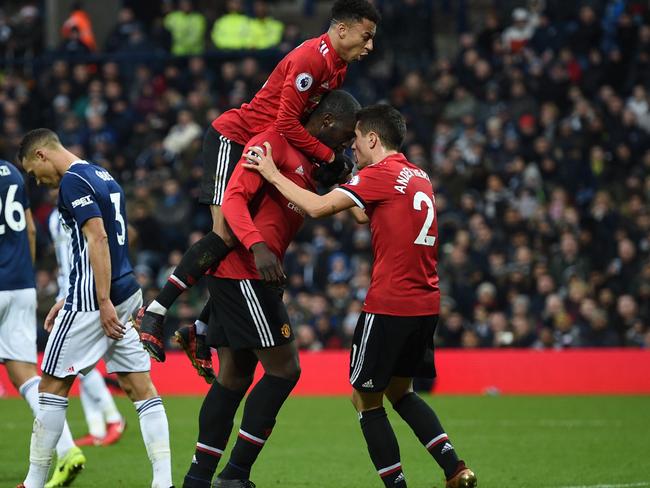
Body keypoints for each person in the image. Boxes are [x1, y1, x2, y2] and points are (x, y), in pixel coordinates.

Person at [243, 105, 477, 488]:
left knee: (365, 400)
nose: (351, 146)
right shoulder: (419, 176)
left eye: (355, 140)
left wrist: (271, 174)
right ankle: (456, 469)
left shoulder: (380, 175)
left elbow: (317, 208)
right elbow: (364, 215)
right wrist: (349, 177)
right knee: (401, 391)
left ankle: (396, 485)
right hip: (425, 304)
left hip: (388, 305)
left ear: (372, 138)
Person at [138, 0, 380, 369]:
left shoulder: (337, 70)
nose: (370, 47)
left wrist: (324, 161)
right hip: (234, 139)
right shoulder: (311, 60)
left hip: (266, 148)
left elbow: (308, 125)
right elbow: (285, 124)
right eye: (366, 37)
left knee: (237, 245)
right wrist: (329, 158)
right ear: (342, 29)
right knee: (227, 233)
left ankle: (200, 328)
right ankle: (155, 312)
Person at [182, 90, 360, 488]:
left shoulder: (313, 163)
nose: (346, 145)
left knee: (233, 378)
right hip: (246, 271)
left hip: (246, 274)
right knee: (284, 370)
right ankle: (235, 474)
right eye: (346, 135)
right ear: (327, 121)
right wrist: (258, 246)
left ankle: (198, 479)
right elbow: (233, 199)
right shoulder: (272, 142)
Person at [17, 129, 173, 488]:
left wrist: (99, 300)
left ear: (41, 155)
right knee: (140, 388)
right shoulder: (102, 175)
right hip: (126, 290)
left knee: (51, 386)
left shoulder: (72, 181)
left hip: (94, 300)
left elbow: (98, 237)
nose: (36, 181)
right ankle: (163, 483)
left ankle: (34, 482)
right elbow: (117, 240)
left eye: (31, 170)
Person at [0, 159, 86, 488]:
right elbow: (30, 229)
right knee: (23, 372)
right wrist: (26, 275)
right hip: (20, 284)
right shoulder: (10, 172)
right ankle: (67, 450)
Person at [47, 203, 126, 447]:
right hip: (67, 290)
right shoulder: (54, 216)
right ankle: (97, 428)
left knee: (72, 364)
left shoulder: (81, 208)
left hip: (82, 292)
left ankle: (113, 419)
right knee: (78, 366)